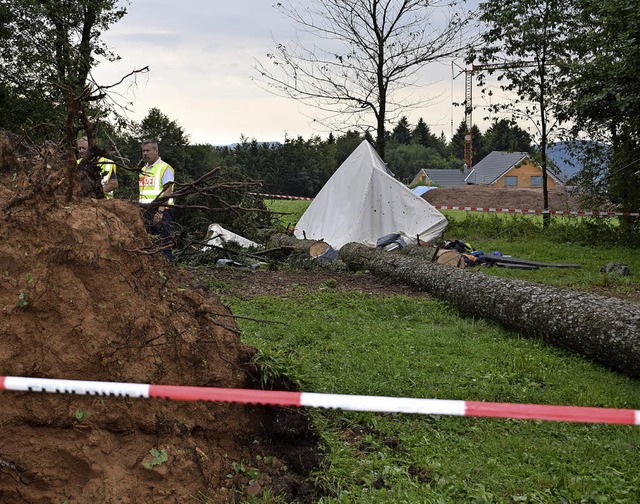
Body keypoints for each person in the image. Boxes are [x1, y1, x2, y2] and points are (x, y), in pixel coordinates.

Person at [139, 139, 175, 261]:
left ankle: (169, 268)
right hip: (146, 210)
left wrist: (160, 211)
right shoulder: (143, 170)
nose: (145, 153)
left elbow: (168, 191)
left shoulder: (165, 168)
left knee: (164, 243)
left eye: (148, 150)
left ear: (156, 151)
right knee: (150, 243)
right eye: (143, 151)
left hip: (162, 211)